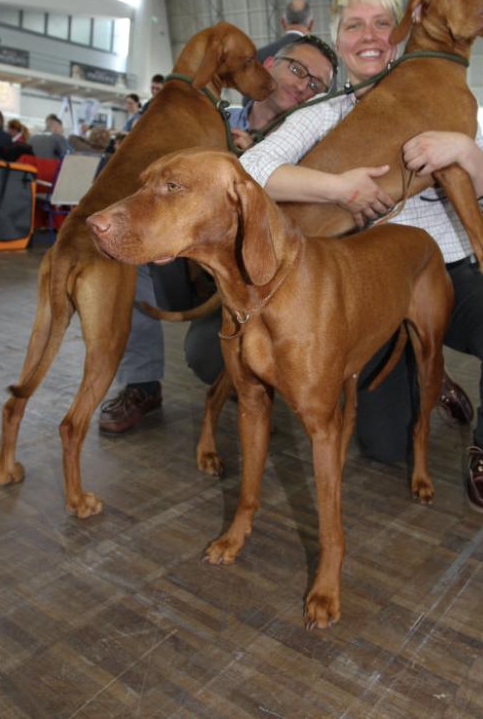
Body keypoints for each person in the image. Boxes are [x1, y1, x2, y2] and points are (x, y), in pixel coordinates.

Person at [238, 0, 483, 515]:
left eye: (381, 24)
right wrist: (338, 188)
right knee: (385, 448)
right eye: (355, 25)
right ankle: (431, 375)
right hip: (370, 286)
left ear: (401, 31)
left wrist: (466, 152)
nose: (369, 35)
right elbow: (249, 170)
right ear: (339, 40)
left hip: (450, 268)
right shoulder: (323, 114)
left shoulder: (435, 91)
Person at [97, 36, 339, 434]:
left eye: (316, 84)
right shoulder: (211, 114)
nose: (302, 85)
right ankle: (141, 384)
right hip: (191, 265)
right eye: (297, 69)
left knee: (206, 355)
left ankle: (263, 378)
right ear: (269, 64)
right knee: (130, 258)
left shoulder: (315, 146)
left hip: (255, 279)